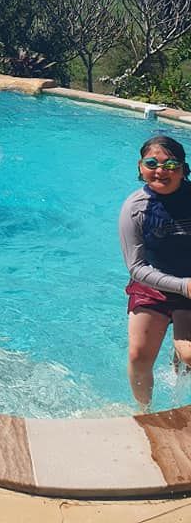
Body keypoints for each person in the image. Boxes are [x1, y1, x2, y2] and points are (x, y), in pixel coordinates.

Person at [119, 135, 191, 408]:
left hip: (190, 290)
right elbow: (136, 267)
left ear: (183, 169)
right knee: (138, 357)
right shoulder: (135, 208)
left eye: (171, 164)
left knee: (189, 356)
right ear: (140, 167)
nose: (160, 171)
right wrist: (183, 285)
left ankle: (179, 355)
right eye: (152, 163)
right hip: (152, 286)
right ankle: (144, 410)